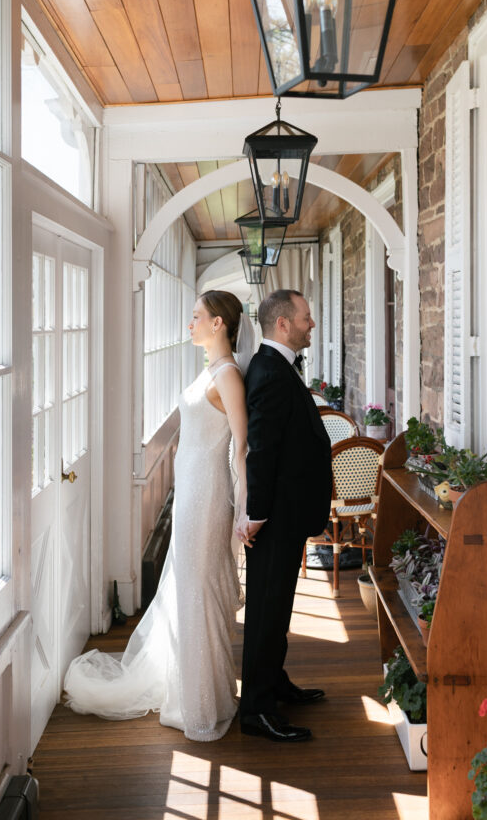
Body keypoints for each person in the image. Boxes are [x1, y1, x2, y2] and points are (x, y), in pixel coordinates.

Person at [64, 290, 254, 741]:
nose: (189, 325)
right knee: (186, 590)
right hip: (188, 490)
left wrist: (245, 510)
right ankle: (191, 693)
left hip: (207, 495)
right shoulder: (210, 368)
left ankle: (202, 706)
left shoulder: (228, 375)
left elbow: (241, 448)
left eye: (196, 317)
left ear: (219, 324)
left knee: (198, 593)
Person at [235, 289, 332, 742]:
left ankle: (274, 682)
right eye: (306, 318)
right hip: (273, 517)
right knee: (266, 611)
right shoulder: (271, 372)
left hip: (287, 513)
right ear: (283, 324)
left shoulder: (276, 366)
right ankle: (255, 710)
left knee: (278, 607)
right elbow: (263, 449)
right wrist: (255, 513)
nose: (311, 324)